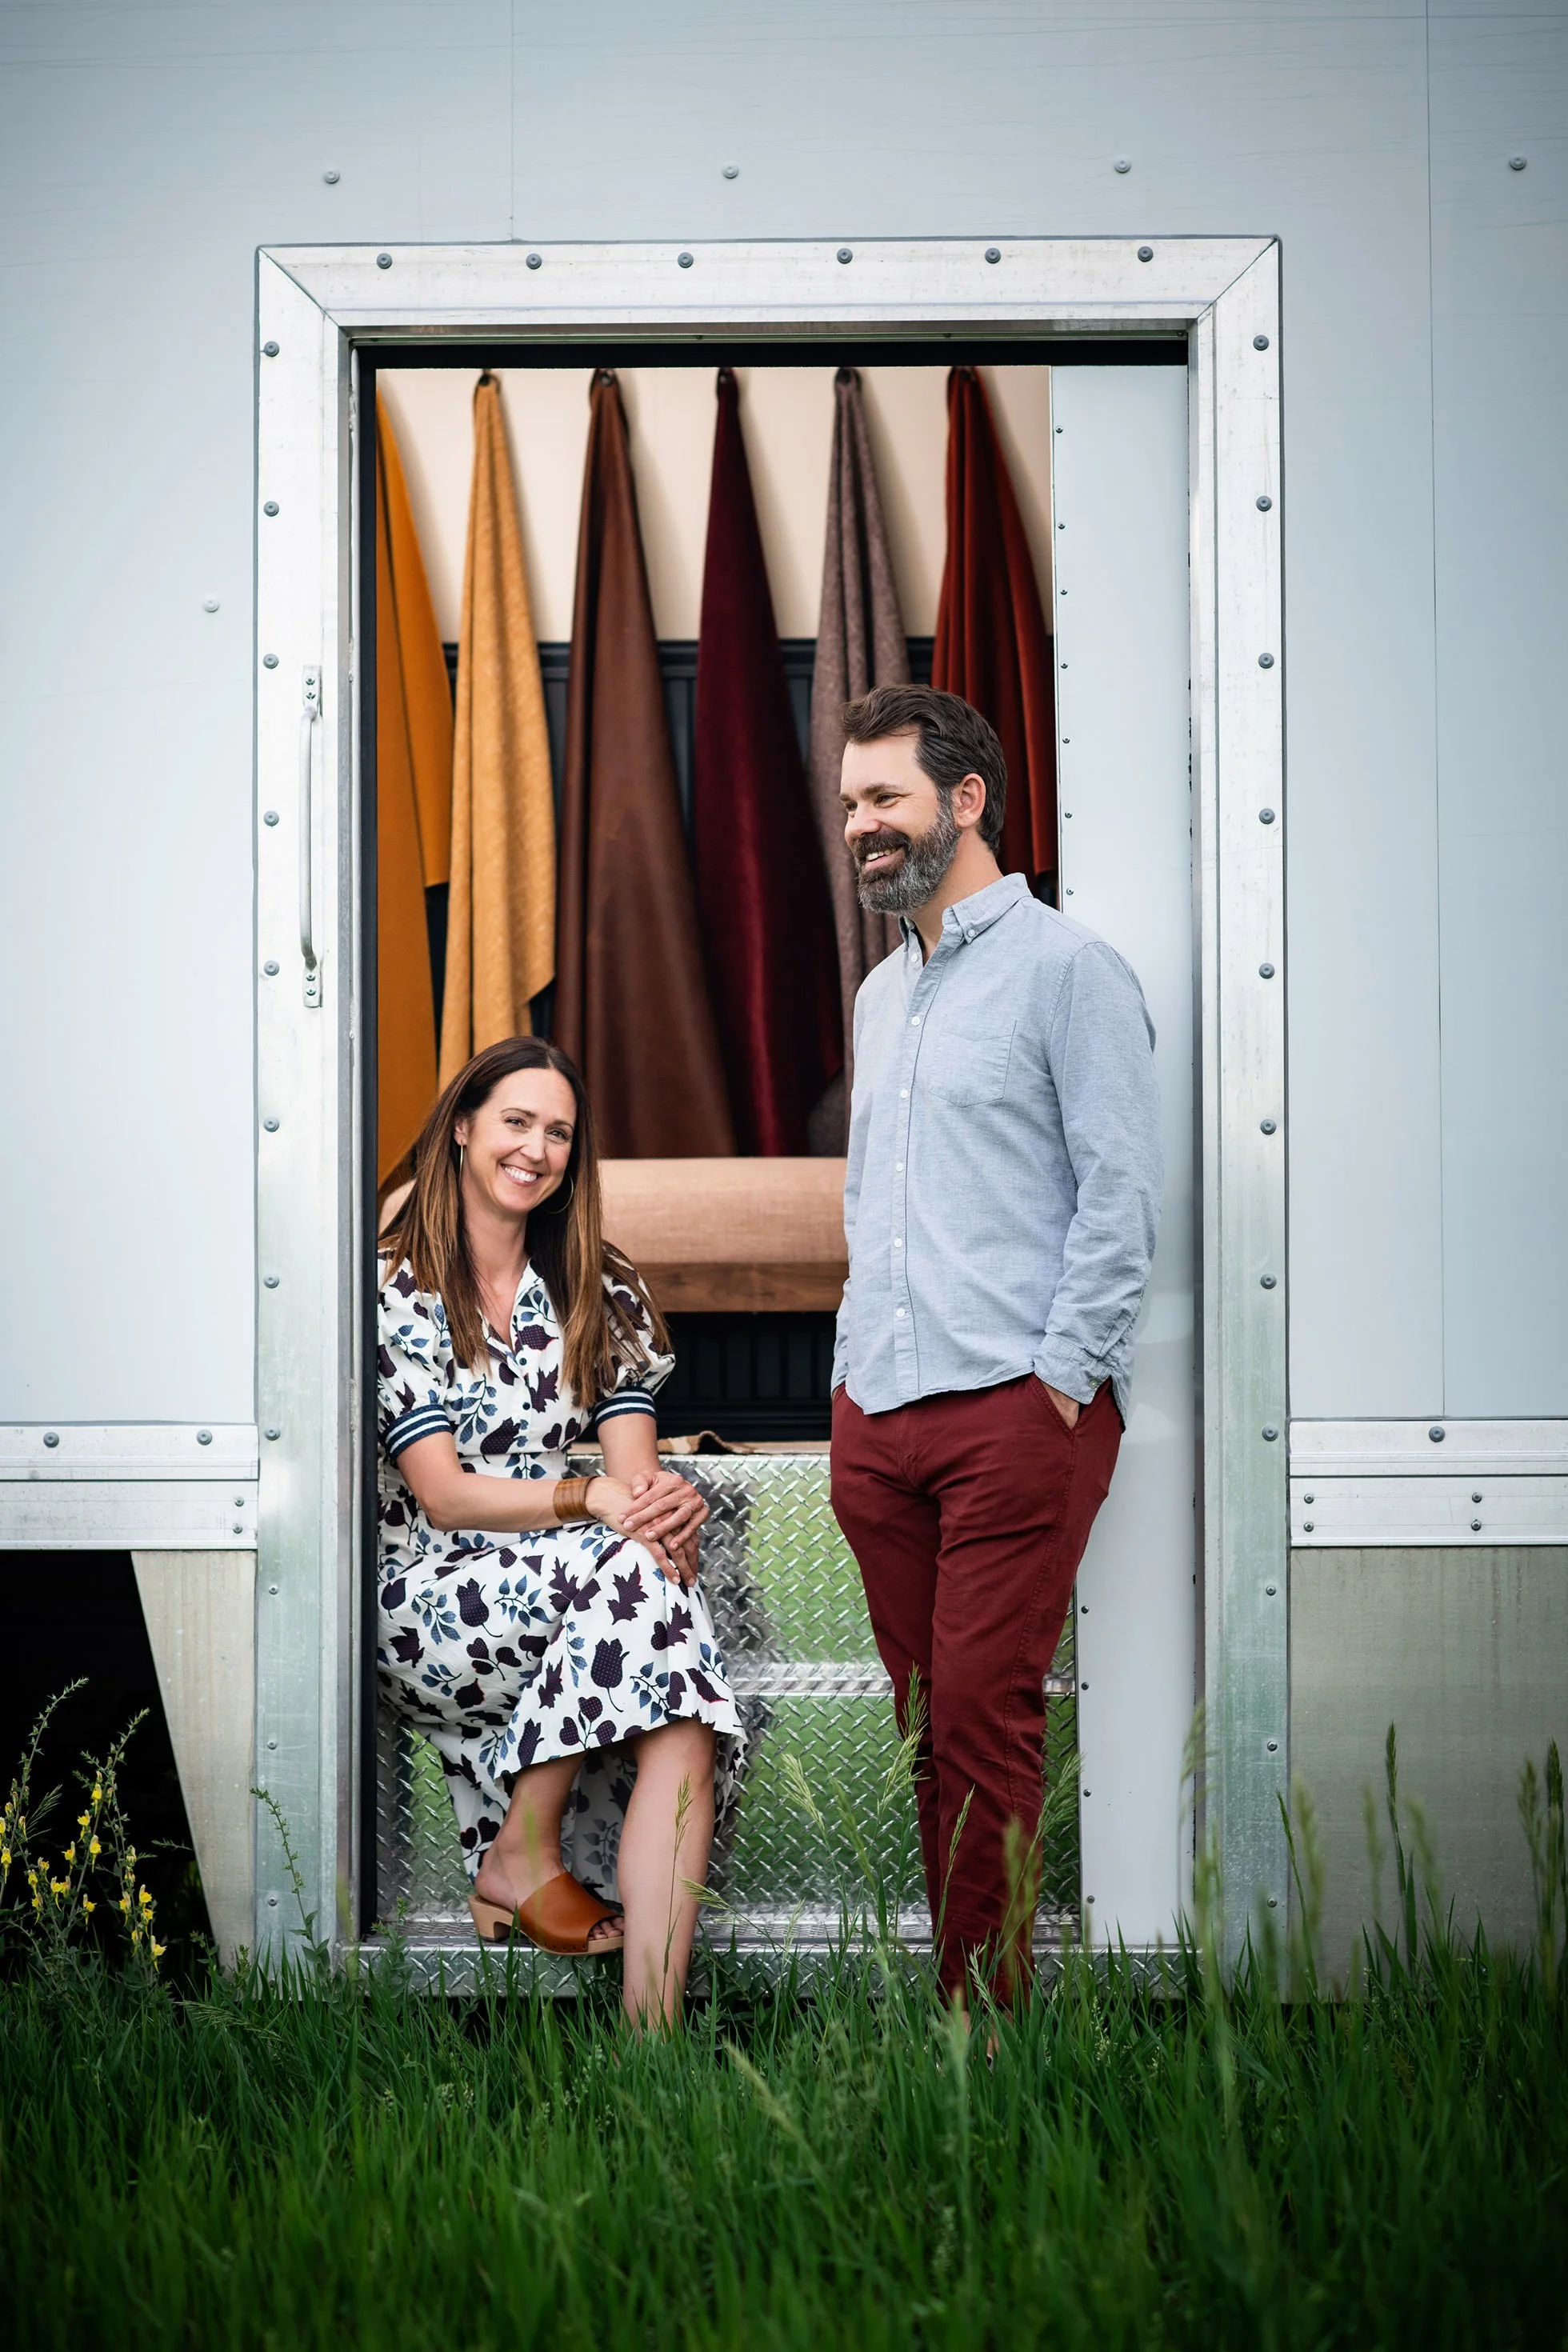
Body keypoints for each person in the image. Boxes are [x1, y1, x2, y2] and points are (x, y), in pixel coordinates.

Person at [828, 685, 1162, 2006]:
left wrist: (1058, 1388)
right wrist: (853, 1380)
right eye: (850, 802)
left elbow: (1119, 1198)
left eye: (885, 797)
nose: (859, 824)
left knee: (981, 1715)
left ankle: (988, 2028)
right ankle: (969, 2006)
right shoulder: (876, 997)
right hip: (882, 1419)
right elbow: (873, 1204)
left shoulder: (1069, 973)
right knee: (931, 1731)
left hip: (1012, 1418)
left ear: (966, 801)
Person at [376, 1036, 743, 2026]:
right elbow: (445, 1496)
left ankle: (651, 2033)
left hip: (570, 1589)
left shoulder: (595, 1279)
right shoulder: (396, 1283)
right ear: (460, 1128)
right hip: (428, 1606)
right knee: (637, 1585)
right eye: (515, 1122)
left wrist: (661, 1508)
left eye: (559, 1133)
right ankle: (524, 1852)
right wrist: (592, 1506)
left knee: (683, 1717)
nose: (536, 1150)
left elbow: (633, 1473)